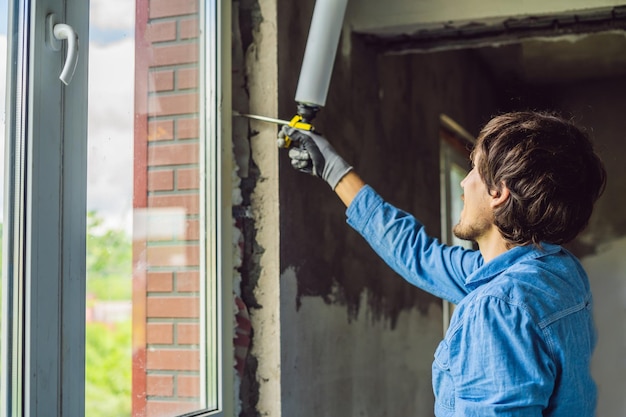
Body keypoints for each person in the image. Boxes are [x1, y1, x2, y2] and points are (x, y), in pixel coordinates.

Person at [279, 111, 607, 417]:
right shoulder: (558, 271)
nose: (464, 185)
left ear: (499, 193)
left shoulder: (498, 308)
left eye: (474, 171)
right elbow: (419, 255)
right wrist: (334, 171)